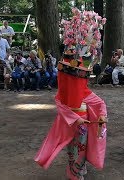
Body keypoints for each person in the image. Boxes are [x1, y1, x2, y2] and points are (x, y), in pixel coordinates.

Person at [35, 51, 107, 180]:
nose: (73, 81)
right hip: (70, 125)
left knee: (82, 149)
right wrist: (76, 118)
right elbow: (62, 108)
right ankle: (74, 174)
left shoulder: (85, 93)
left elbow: (100, 104)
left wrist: (101, 116)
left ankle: (79, 169)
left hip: (83, 124)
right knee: (72, 151)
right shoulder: (61, 96)